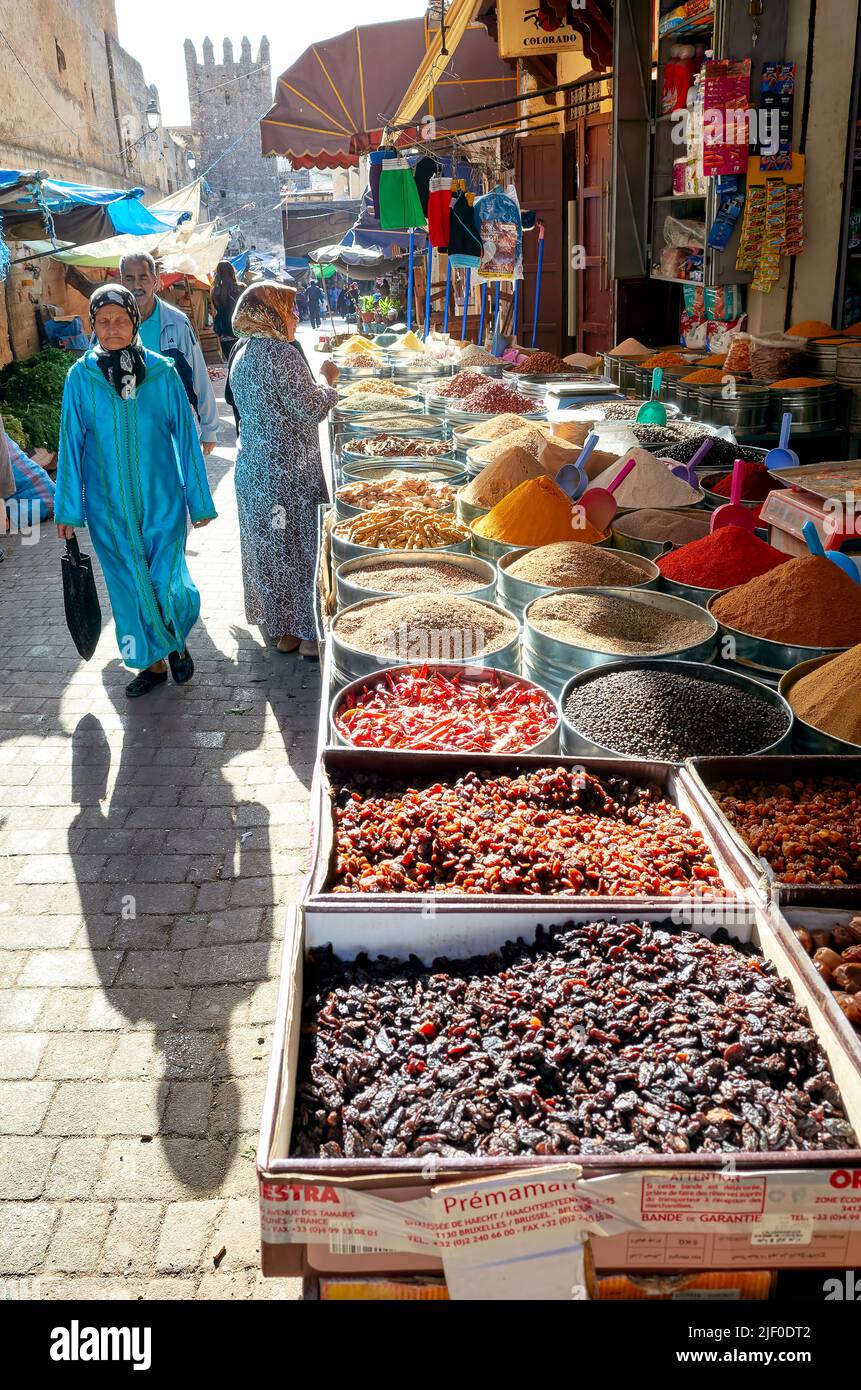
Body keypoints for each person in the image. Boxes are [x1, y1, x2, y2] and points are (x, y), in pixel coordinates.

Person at [55, 285, 217, 698]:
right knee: (128, 587)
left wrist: (198, 499)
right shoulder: (81, 377)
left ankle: (176, 639)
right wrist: (68, 511)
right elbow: (70, 443)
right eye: (103, 321)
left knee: (167, 581)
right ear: (93, 325)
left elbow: (185, 435)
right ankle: (152, 663)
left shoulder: (162, 373)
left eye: (121, 320)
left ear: (135, 322)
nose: (112, 328)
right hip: (107, 510)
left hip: (163, 502)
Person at [226, 281, 338, 659]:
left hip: (256, 472)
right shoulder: (281, 353)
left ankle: (285, 630)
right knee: (302, 547)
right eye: (288, 310)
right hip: (289, 474)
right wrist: (327, 381)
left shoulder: (242, 353)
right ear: (269, 313)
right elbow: (311, 408)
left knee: (274, 550)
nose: (294, 316)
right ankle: (309, 635)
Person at [119, 252, 219, 453]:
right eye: (129, 279)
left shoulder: (176, 322)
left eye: (143, 277)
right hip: (127, 429)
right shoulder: (111, 325)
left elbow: (197, 375)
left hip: (171, 425)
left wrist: (209, 428)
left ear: (155, 281)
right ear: (121, 282)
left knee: (173, 483)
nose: (136, 286)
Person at [210, 259, 243, 361]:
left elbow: (216, 308)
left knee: (230, 360)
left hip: (223, 330)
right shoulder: (240, 288)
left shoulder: (215, 291)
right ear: (232, 271)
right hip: (239, 329)